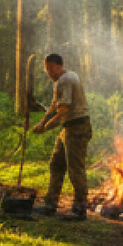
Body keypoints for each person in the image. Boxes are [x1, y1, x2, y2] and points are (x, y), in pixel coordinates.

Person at [30, 53, 91, 219]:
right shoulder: (60, 81)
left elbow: (62, 113)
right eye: (46, 69)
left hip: (77, 127)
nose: (48, 72)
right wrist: (42, 123)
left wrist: (46, 128)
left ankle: (79, 210)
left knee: (75, 169)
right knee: (56, 163)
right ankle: (50, 205)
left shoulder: (66, 80)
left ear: (58, 66)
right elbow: (53, 107)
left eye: (50, 68)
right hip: (68, 128)